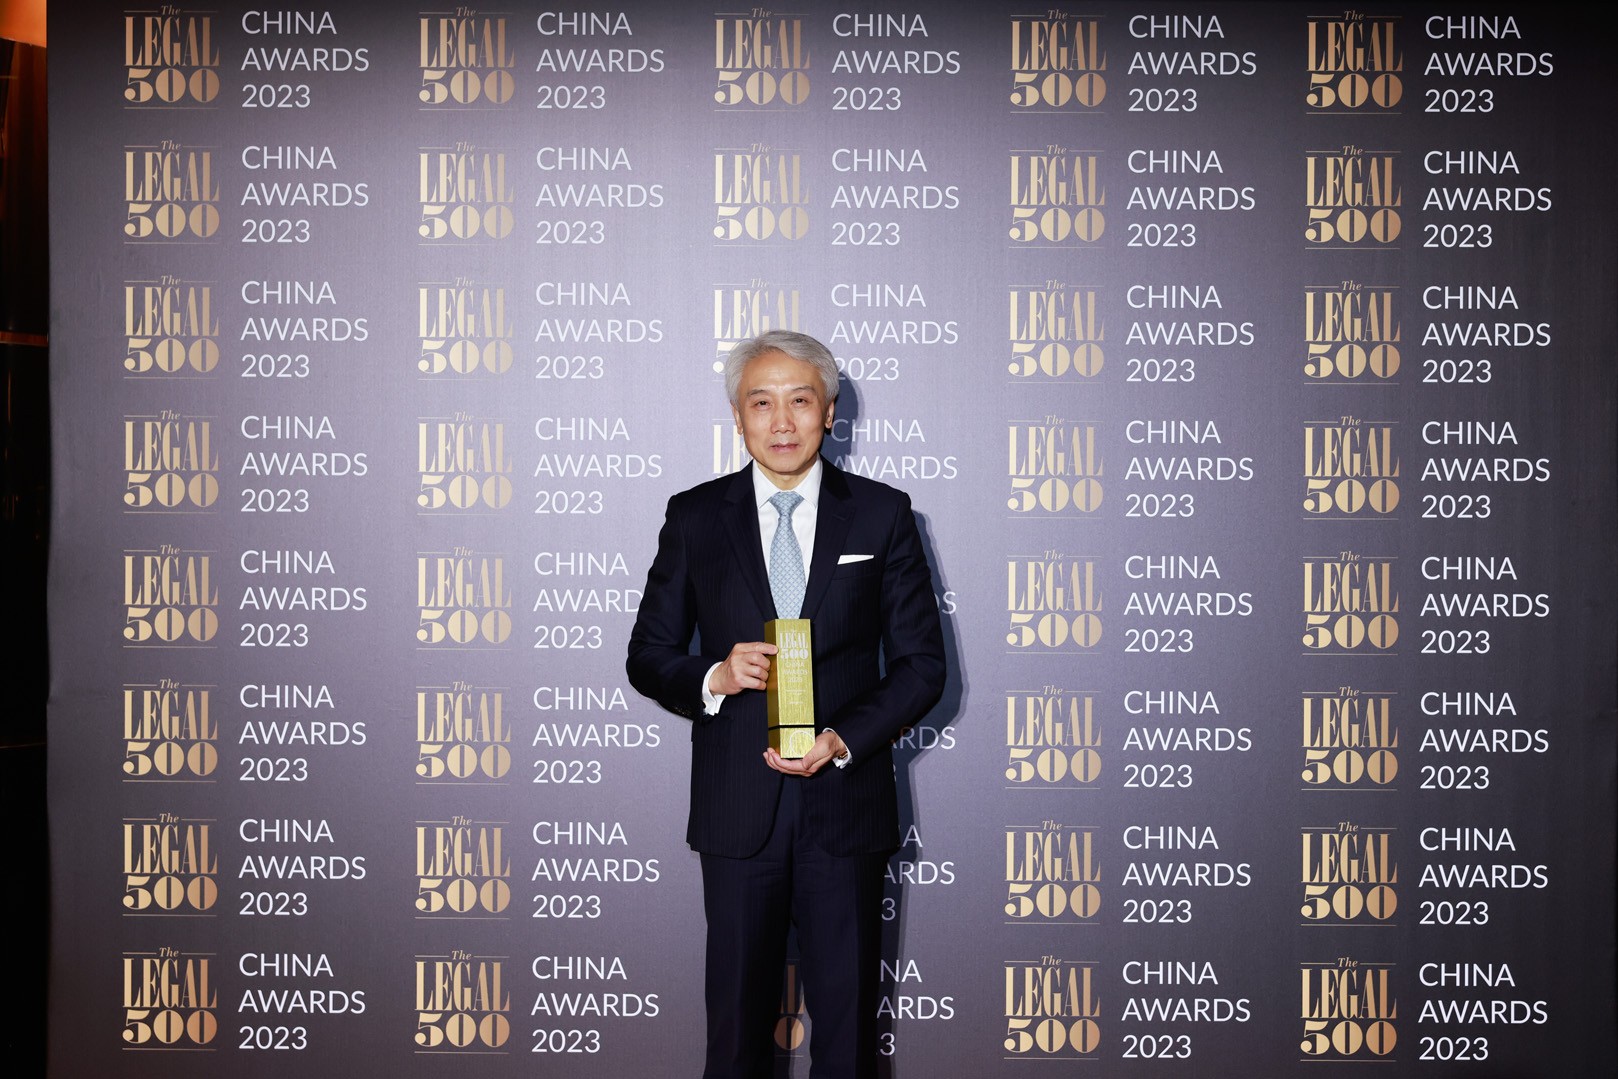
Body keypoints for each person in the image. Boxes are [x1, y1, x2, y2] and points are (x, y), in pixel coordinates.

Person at [626, 330, 946, 1078]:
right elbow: (648, 655)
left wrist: (844, 737)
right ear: (738, 417)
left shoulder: (883, 514)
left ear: (829, 412)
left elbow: (921, 667)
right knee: (736, 1037)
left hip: (846, 805)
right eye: (760, 403)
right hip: (738, 811)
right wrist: (715, 674)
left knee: (848, 1039)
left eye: (800, 401)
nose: (781, 421)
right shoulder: (694, 516)